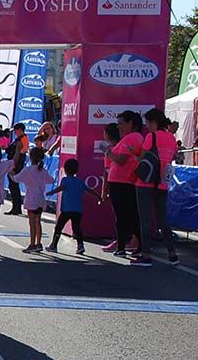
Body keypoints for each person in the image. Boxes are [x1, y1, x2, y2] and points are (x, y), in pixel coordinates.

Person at [131, 107, 179, 267]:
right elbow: (173, 156)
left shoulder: (151, 137)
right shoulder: (171, 138)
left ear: (153, 122)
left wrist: (134, 153)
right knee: (162, 220)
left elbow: (142, 158)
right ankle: (172, 254)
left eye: (148, 123)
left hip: (145, 182)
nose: (146, 126)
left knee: (144, 220)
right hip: (163, 183)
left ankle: (146, 256)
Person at [102, 112, 143, 256]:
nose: (119, 127)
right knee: (127, 215)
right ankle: (128, 245)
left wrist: (107, 151)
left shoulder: (131, 138)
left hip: (122, 182)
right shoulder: (131, 138)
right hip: (122, 181)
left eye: (121, 123)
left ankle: (123, 247)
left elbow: (120, 160)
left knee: (125, 216)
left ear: (130, 123)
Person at [45, 158, 99, 254]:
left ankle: (54, 245)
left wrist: (52, 192)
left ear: (65, 169)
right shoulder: (80, 181)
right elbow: (88, 190)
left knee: (59, 227)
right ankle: (80, 245)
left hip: (66, 209)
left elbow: (61, 188)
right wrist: (98, 196)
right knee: (77, 228)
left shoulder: (65, 180)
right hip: (78, 209)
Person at [14, 147, 52, 253]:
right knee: (38, 221)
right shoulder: (43, 170)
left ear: (30, 157)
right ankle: (39, 243)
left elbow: (16, 179)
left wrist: (11, 173)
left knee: (31, 223)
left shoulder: (27, 170)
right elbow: (51, 180)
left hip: (31, 199)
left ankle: (32, 244)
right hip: (40, 199)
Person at [5, 123, 30, 215]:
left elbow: (19, 153)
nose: (14, 132)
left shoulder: (22, 139)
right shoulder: (20, 139)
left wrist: (13, 165)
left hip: (16, 164)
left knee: (14, 186)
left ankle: (16, 207)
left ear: (20, 130)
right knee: (13, 186)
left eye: (15, 131)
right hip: (15, 163)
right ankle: (15, 207)